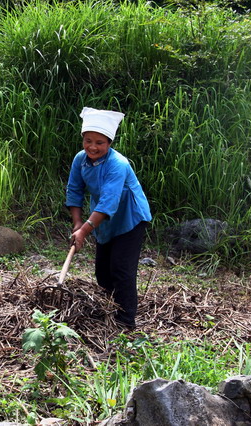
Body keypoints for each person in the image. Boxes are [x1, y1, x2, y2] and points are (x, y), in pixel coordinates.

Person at [65, 107, 152, 329]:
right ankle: (111, 307)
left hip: (130, 217)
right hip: (102, 219)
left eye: (99, 142)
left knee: (122, 268)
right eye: (88, 140)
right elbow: (74, 190)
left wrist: (84, 230)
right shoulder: (80, 160)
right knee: (103, 271)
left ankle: (126, 321)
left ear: (109, 143)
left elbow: (109, 203)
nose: (92, 147)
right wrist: (77, 223)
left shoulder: (118, 164)